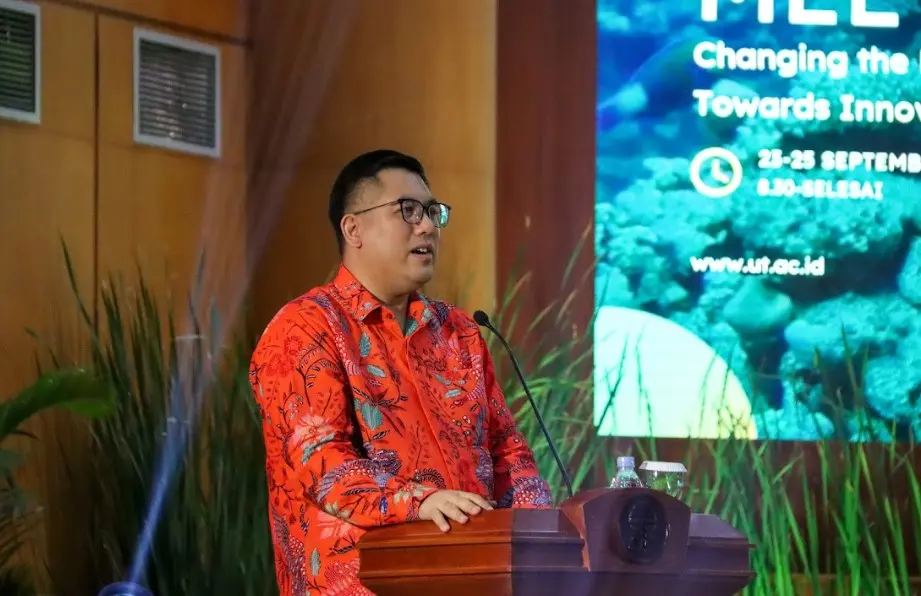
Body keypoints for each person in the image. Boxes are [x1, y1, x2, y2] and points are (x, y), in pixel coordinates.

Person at [249, 149, 553, 596]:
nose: (427, 226)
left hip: (472, 579)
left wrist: (547, 530)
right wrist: (420, 501)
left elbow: (507, 451)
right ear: (353, 229)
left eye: (432, 212)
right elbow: (320, 462)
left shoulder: (460, 332)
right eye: (408, 210)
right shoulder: (305, 328)